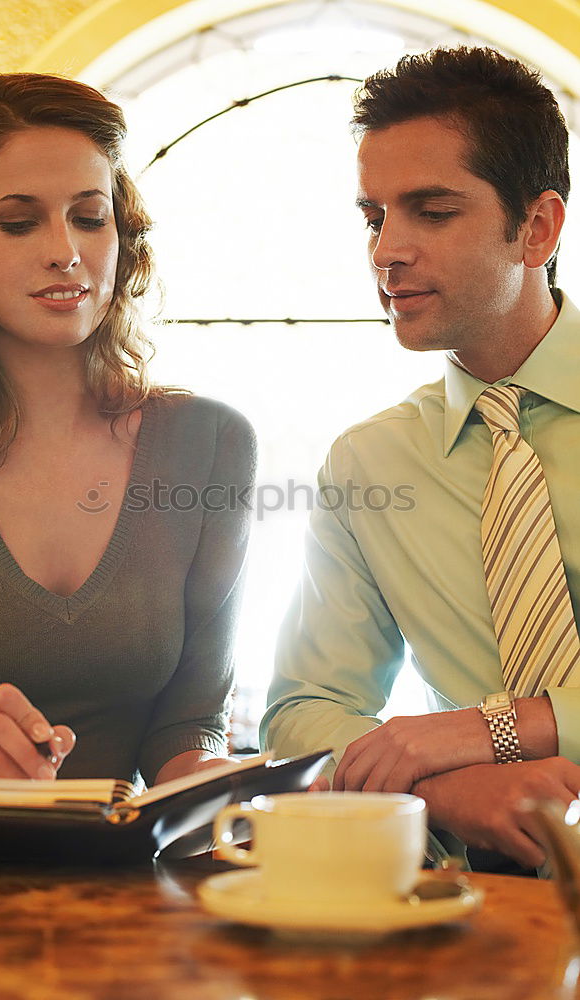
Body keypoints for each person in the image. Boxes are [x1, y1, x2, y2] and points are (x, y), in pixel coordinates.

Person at [261, 46, 580, 873]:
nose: (385, 252)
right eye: (373, 217)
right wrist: (443, 789)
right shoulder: (368, 465)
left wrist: (486, 730)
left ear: (536, 228)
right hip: (480, 916)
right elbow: (302, 711)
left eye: (431, 211)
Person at [0, 73, 256, 797]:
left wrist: (232, 787)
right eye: (18, 222)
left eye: (89, 216)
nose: (65, 251)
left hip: (130, 885)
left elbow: (188, 725)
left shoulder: (210, 443)